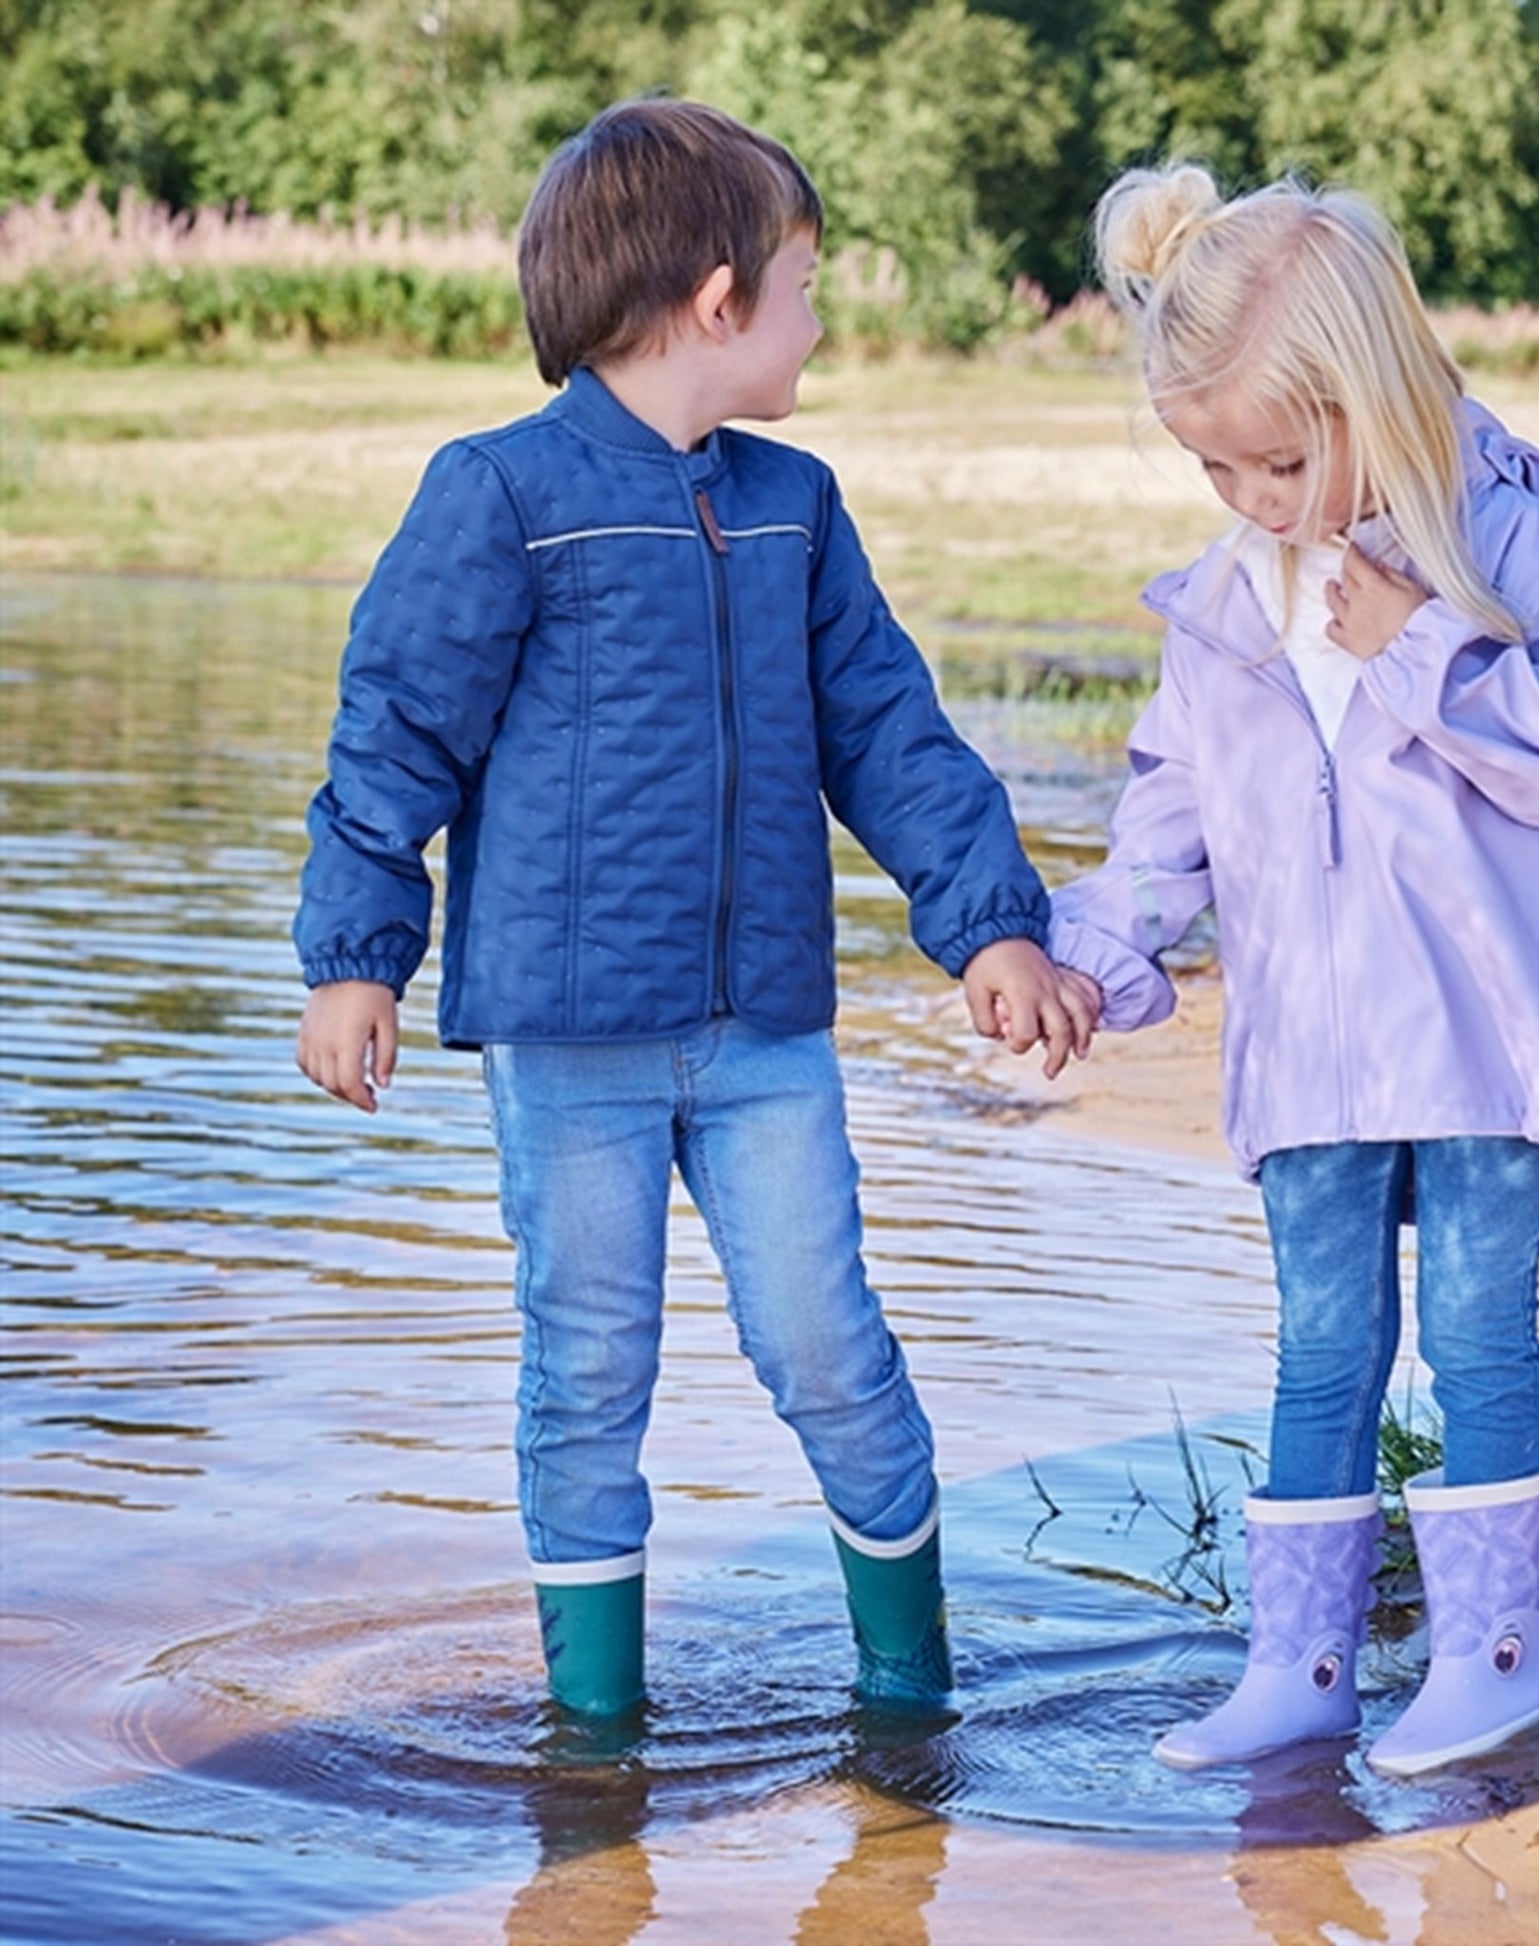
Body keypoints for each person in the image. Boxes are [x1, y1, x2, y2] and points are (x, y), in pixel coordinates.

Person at [292, 97, 1092, 1722]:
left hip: (763, 1041)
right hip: (565, 1047)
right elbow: (395, 732)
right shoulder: (501, 493)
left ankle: (910, 1695)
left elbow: (887, 728)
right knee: (587, 1377)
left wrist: (989, 921)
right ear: (717, 300)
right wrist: (357, 957)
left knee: (831, 1352)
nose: (821, 319)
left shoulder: (795, 506)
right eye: (806, 284)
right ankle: (594, 1742)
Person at [1049, 165, 1539, 1776]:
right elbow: (1172, 802)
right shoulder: (1223, 604)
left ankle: (1491, 1654)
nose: (1251, 495)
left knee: (1473, 1325)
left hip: (1477, 1032)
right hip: (1309, 1058)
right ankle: (1297, 1663)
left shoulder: (1501, 541)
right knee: (1320, 1344)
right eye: (1213, 465)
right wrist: (1096, 953)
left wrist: (1416, 644)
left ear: (1374, 395)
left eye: (1277, 456)